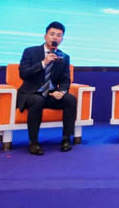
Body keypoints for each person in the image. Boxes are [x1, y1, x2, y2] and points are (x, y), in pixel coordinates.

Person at [18, 21, 77, 155]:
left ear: (61, 39)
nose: (55, 37)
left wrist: (61, 91)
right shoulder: (30, 52)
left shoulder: (64, 57)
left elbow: (65, 80)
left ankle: (66, 139)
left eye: (59, 35)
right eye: (52, 34)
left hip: (50, 94)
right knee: (37, 100)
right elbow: (23, 74)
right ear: (45, 36)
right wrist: (44, 63)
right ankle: (33, 142)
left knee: (70, 100)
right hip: (31, 94)